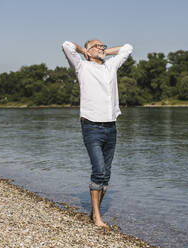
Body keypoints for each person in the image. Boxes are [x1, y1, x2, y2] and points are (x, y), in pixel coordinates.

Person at [62, 39, 133, 227]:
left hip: (111, 127)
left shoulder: (111, 66)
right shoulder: (81, 67)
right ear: (88, 51)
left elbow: (127, 48)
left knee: (106, 175)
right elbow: (66, 45)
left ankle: (95, 212)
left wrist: (105, 52)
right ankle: (97, 217)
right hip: (91, 127)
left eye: (103, 45)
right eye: (98, 46)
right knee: (99, 171)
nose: (102, 47)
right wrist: (84, 51)